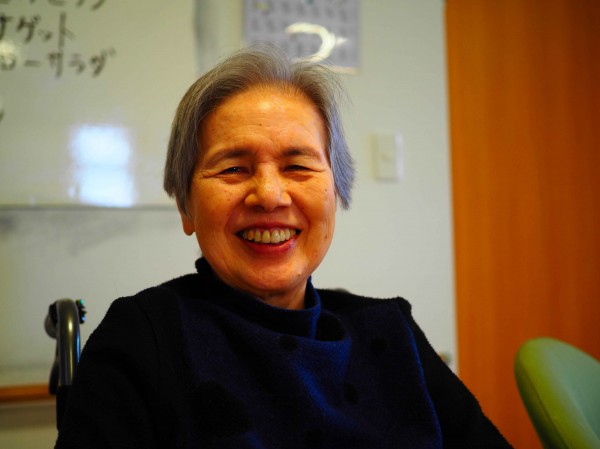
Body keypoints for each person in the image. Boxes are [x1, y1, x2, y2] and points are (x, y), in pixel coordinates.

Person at [55, 45, 512, 448]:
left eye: (297, 166)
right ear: (186, 208)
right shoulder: (144, 338)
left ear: (336, 193)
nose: (270, 195)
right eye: (233, 169)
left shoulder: (391, 331)